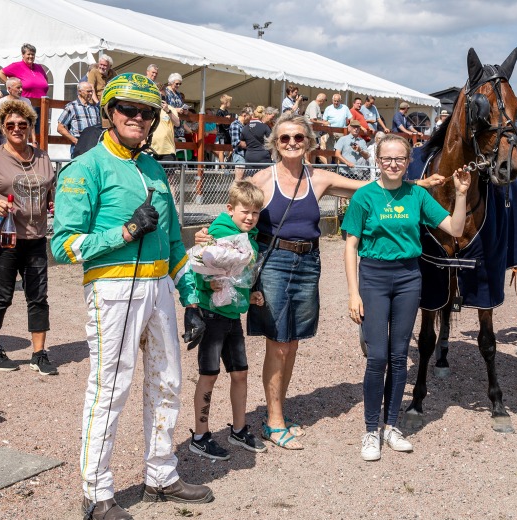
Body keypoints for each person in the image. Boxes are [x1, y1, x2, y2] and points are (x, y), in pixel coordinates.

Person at [194, 113, 444, 450]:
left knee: (293, 342)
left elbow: (377, 187)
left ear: (309, 142)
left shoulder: (320, 177)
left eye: (299, 137)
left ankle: (276, 414)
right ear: (275, 143)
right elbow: (235, 213)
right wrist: (208, 234)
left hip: (309, 262)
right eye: (285, 138)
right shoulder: (263, 180)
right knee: (278, 343)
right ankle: (274, 420)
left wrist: (419, 186)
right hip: (275, 262)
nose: (292, 143)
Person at [51, 73, 214, 520]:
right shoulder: (84, 168)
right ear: (109, 112)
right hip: (113, 290)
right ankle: (97, 491)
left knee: (167, 381)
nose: (139, 118)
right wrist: (122, 234)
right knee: (111, 388)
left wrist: (191, 296)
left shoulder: (155, 168)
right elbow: (63, 245)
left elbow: (171, 242)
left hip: (159, 288)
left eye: (148, 112)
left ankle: (160, 475)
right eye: (129, 109)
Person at [342, 135, 470, 461]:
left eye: (400, 159)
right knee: (377, 357)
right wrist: (353, 293)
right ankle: (371, 431)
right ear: (378, 161)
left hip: (409, 278)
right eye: (387, 159)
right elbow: (350, 245)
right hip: (373, 277)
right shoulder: (365, 196)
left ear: (408, 160)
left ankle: (391, 426)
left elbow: (455, 229)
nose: (394, 164)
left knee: (399, 357)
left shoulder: (417, 195)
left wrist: (461, 194)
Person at [0, 100, 56, 375]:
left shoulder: (42, 156)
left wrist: (51, 202)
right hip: (3, 238)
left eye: (22, 124)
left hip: (36, 236)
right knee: (2, 295)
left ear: (30, 127)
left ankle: (39, 354)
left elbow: (48, 189)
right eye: (10, 125)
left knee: (38, 296)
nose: (17, 128)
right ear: (4, 128)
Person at [189, 181, 267, 460]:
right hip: (212, 315)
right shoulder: (219, 234)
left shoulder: (249, 236)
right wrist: (208, 287)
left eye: (256, 213)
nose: (250, 217)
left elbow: (238, 277)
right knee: (209, 375)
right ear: (230, 209)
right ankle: (200, 435)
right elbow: (199, 267)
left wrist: (251, 295)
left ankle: (239, 428)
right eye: (245, 211)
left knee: (240, 373)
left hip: (233, 316)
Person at [0, 43, 48, 135]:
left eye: (33, 54)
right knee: (26, 131)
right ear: (23, 55)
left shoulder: (39, 67)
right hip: (26, 104)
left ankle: (37, 149)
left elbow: (45, 81)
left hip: (43, 105)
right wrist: (10, 87)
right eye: (28, 54)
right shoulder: (17, 66)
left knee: (41, 134)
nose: (31, 56)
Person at [57, 82, 100, 157]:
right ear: (80, 92)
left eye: (91, 91)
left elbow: (98, 128)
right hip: (79, 146)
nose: (90, 94)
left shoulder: (95, 109)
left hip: (94, 146)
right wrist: (75, 140)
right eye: (88, 91)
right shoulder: (71, 107)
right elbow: (60, 128)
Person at [149, 91, 180, 162]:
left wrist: (168, 111)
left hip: (167, 150)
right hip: (151, 150)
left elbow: (177, 124)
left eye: (162, 96)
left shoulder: (171, 109)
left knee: (169, 173)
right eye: (158, 95)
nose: (160, 98)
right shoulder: (149, 108)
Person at [164, 73, 186, 141]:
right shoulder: (165, 92)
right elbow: (164, 106)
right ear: (171, 82)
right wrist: (176, 109)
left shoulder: (178, 94)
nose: (178, 85)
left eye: (180, 84)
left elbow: (181, 105)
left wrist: (184, 109)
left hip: (179, 124)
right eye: (177, 83)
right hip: (169, 122)